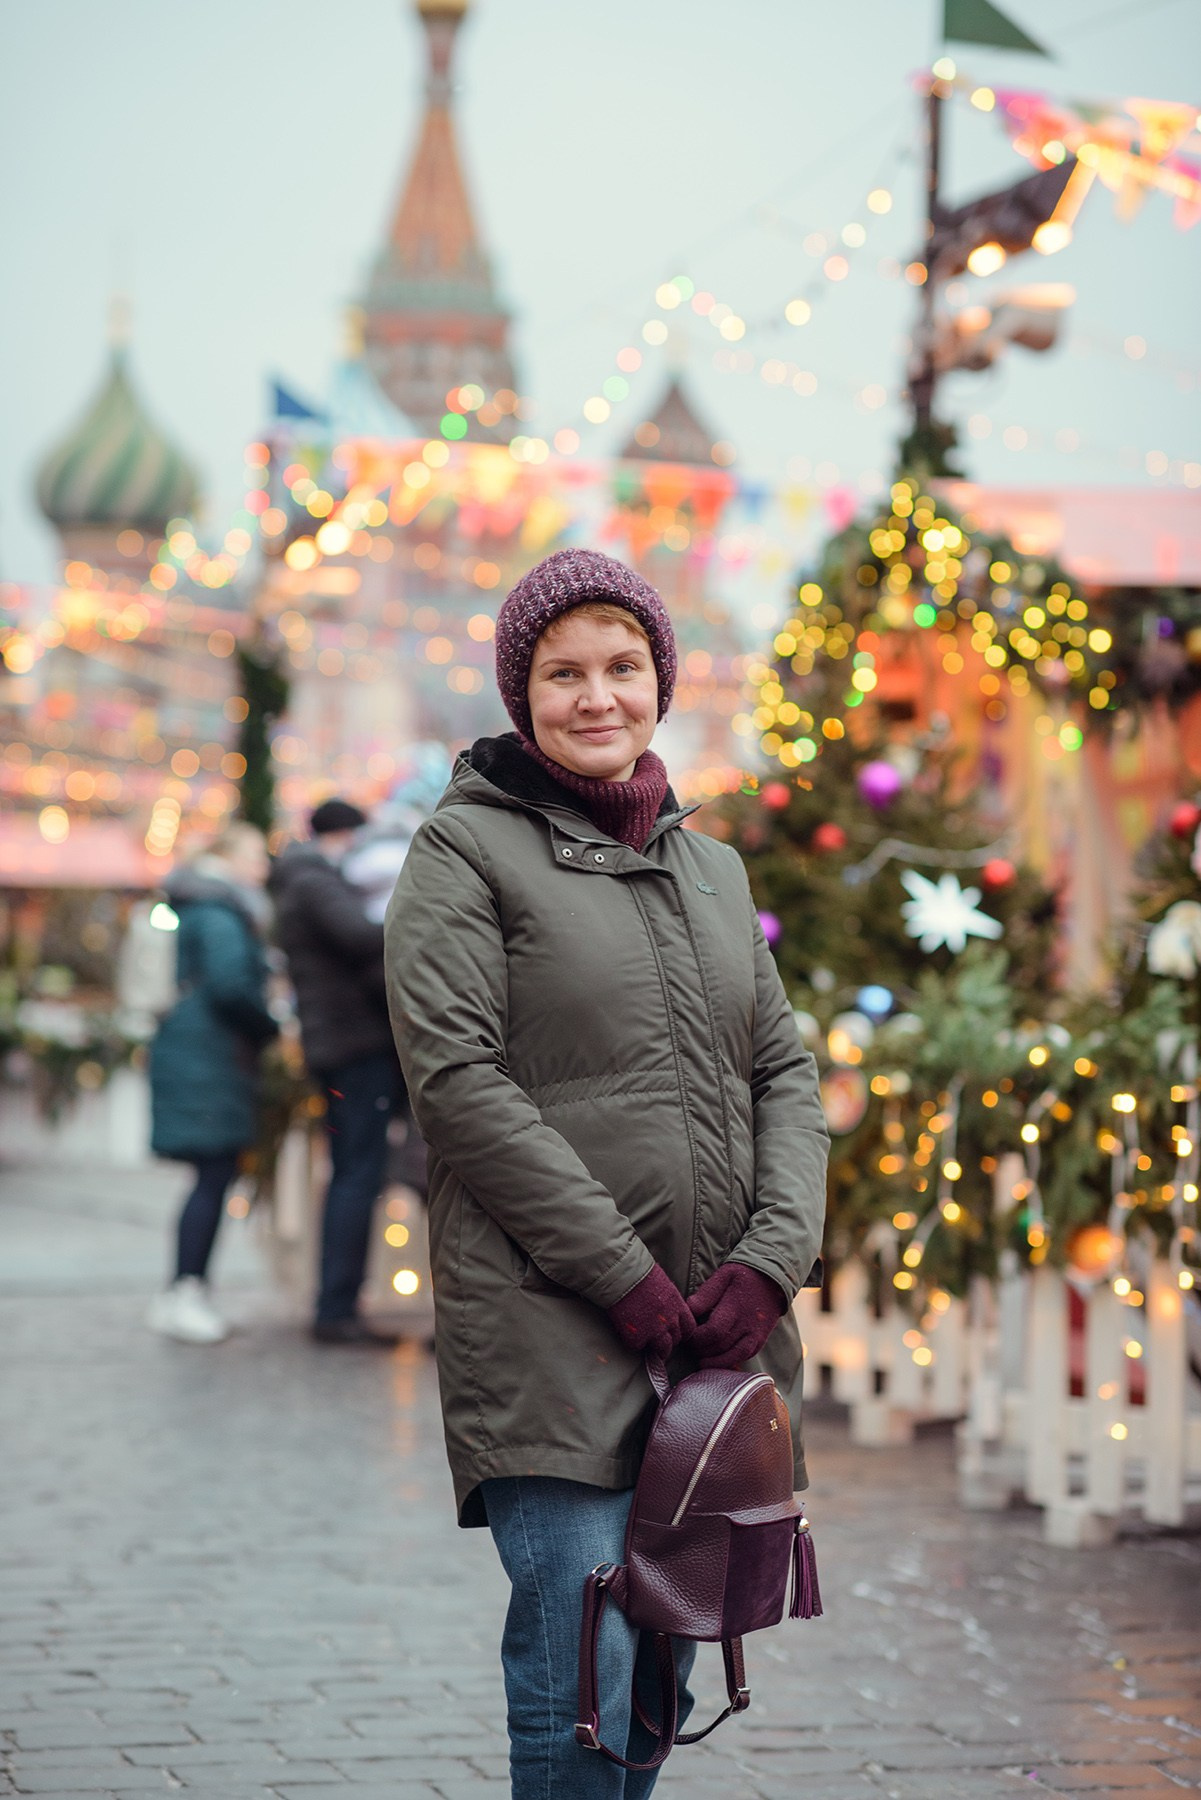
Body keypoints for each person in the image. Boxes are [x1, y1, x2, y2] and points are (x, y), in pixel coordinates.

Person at [385, 547, 829, 1797]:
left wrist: (768, 1262)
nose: (597, 696)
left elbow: (783, 1078)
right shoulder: (463, 855)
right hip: (553, 1327)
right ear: (520, 693)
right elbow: (461, 1086)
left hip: (711, 1345)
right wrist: (621, 1275)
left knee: (666, 1655)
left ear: (660, 680)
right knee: (588, 1650)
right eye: (562, 671)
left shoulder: (712, 867)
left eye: (622, 666)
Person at [270, 798, 402, 1345]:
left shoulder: (300, 878)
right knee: (356, 1173)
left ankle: (338, 1303)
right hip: (355, 1045)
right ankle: (336, 1309)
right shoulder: (314, 879)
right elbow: (359, 936)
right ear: (344, 834)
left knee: (354, 1170)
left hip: (341, 1044)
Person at [147, 822, 278, 1345]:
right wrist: (268, 1026)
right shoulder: (222, 911)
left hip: (197, 1050)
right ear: (228, 859)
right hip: (209, 1056)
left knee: (210, 1174)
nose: (262, 867)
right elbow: (230, 986)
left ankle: (183, 1290)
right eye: (255, 855)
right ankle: (186, 1291)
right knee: (213, 1173)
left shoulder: (201, 905)